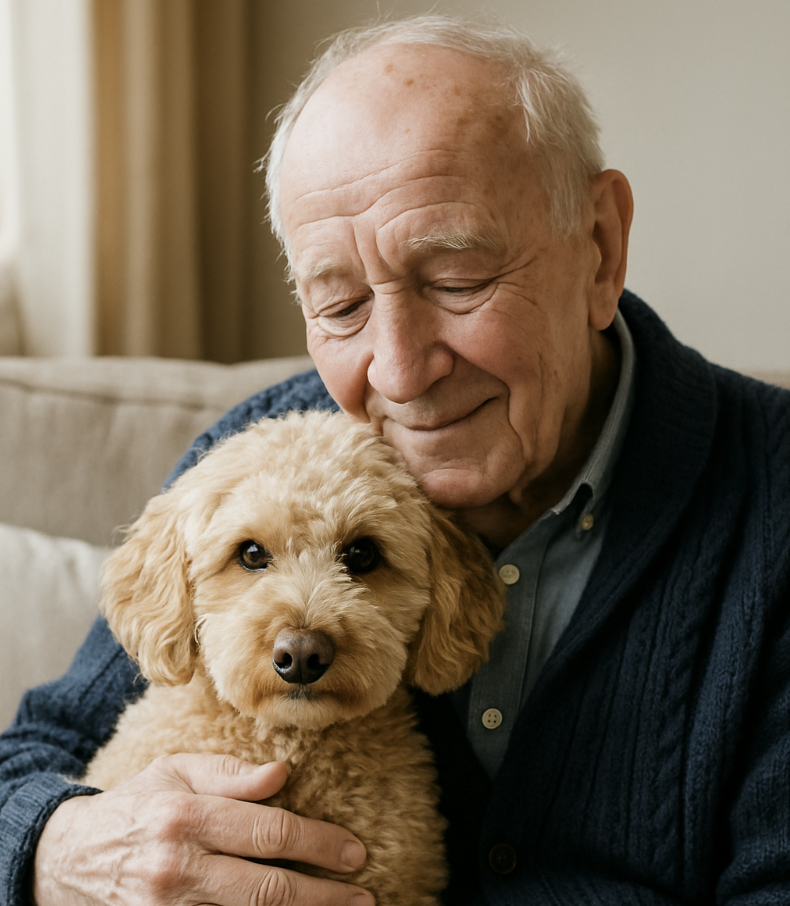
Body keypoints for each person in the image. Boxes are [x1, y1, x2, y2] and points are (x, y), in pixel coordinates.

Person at [2, 13, 790, 906]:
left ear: (600, 247)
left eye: (457, 282)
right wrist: (63, 847)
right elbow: (26, 765)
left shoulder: (772, 500)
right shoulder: (261, 458)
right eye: (339, 304)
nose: (401, 371)